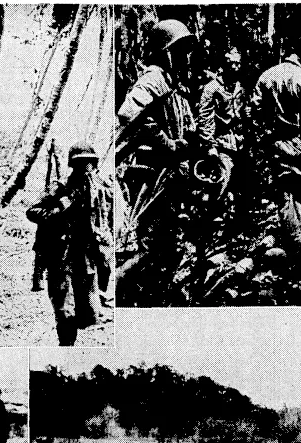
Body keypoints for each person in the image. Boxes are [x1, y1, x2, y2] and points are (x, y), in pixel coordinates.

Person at [116, 19, 198, 306]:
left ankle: (151, 296)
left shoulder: (173, 83)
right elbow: (128, 114)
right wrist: (166, 142)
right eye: (181, 49)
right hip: (152, 175)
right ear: (165, 51)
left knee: (167, 247)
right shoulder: (153, 78)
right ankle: (115, 290)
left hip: (170, 176)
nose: (187, 56)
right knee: (149, 248)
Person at [26, 142, 112, 346]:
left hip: (85, 257)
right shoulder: (60, 187)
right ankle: (66, 346)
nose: (85, 167)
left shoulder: (98, 188)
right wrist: (58, 210)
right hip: (61, 256)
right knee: (65, 311)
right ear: (72, 165)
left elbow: (105, 218)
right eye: (80, 163)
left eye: (89, 163)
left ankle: (69, 343)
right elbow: (32, 211)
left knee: (85, 314)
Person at [249, 48, 301, 236]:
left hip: (276, 142)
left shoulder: (266, 76)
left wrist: (264, 133)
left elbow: (253, 109)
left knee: (284, 191)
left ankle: (293, 234)